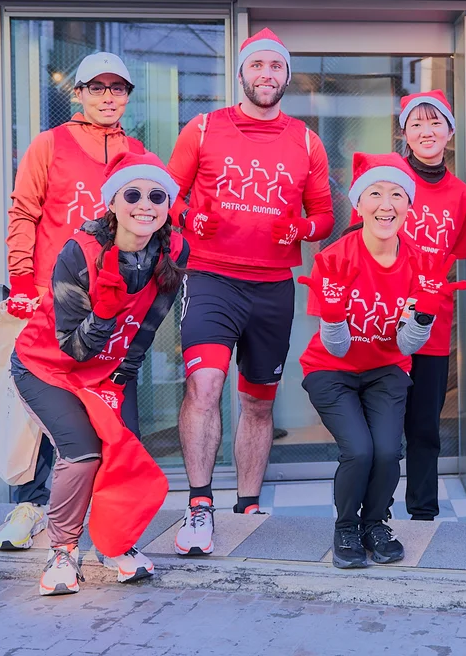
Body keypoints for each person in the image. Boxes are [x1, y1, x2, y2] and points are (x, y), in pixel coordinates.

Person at [168, 28, 334, 555]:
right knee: (205, 387)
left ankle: (247, 504)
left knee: (258, 404)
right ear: (241, 71)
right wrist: (191, 217)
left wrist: (301, 231)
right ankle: (198, 506)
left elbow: (325, 217)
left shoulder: (306, 140)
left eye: (277, 67)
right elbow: (164, 196)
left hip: (271, 288)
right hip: (211, 278)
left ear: (287, 76)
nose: (267, 75)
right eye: (258, 65)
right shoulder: (202, 128)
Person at [11, 151, 188, 595]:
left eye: (156, 195)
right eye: (133, 194)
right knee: (83, 452)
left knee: (123, 454)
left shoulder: (173, 250)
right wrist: (105, 313)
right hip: (47, 367)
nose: (145, 204)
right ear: (112, 202)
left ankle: (115, 544)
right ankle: (63, 552)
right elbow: (73, 347)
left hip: (106, 371)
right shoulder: (80, 252)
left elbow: (147, 327)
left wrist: (118, 380)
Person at [0, 51, 146, 552]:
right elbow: (23, 213)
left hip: (106, 309)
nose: (108, 97)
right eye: (97, 88)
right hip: (44, 299)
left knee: (104, 413)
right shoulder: (50, 144)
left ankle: (106, 515)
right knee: (39, 413)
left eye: (117, 88)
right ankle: (29, 505)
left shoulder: (138, 150)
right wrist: (19, 280)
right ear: (78, 94)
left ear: (127, 95)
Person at [299, 152, 466, 568]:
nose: (386, 204)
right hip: (331, 369)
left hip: (386, 368)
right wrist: (336, 314)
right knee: (358, 450)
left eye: (397, 195)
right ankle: (346, 528)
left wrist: (425, 313)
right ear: (359, 204)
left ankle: (375, 522)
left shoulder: (421, 262)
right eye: (375, 193)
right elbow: (336, 347)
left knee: (389, 451)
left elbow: (408, 344)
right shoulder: (334, 258)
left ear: (410, 207)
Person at [392, 91, 466, 521]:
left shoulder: (463, 196)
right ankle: (373, 514)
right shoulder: (386, 178)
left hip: (432, 324)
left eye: (435, 123)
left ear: (450, 131)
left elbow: (452, 256)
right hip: (383, 320)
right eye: (417, 124)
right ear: (404, 133)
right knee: (382, 431)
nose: (426, 132)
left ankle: (424, 514)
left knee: (425, 427)